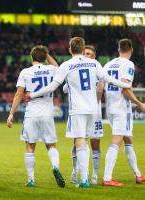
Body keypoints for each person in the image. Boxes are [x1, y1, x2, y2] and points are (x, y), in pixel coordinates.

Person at [25, 37, 130, 188]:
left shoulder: (67, 65)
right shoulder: (94, 63)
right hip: (93, 109)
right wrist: (125, 83)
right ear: (82, 50)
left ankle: (84, 179)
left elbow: (52, 86)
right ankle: (86, 177)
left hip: (78, 110)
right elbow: (108, 79)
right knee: (87, 141)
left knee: (80, 142)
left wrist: (32, 95)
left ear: (70, 49)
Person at [7, 45, 65, 188]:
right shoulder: (51, 69)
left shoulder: (25, 72)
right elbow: (57, 66)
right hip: (47, 113)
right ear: (44, 57)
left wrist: (11, 114)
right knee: (51, 145)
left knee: (30, 146)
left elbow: (19, 94)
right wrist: (48, 54)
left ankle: (31, 180)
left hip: (32, 113)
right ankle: (55, 167)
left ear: (31, 57)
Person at [100, 39, 145, 187]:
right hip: (121, 109)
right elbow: (125, 89)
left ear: (118, 50)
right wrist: (139, 104)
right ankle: (107, 178)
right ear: (131, 50)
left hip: (111, 108)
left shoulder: (107, 64)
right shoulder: (128, 64)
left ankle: (138, 175)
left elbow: (100, 89)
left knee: (128, 140)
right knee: (116, 141)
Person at [65, 45, 103, 184]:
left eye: (89, 54)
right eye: (85, 53)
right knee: (77, 142)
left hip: (93, 111)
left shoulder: (97, 71)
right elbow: (65, 88)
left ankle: (94, 175)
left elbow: (100, 90)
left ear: (94, 57)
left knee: (94, 143)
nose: (86, 55)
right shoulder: (74, 68)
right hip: (78, 111)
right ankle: (76, 172)